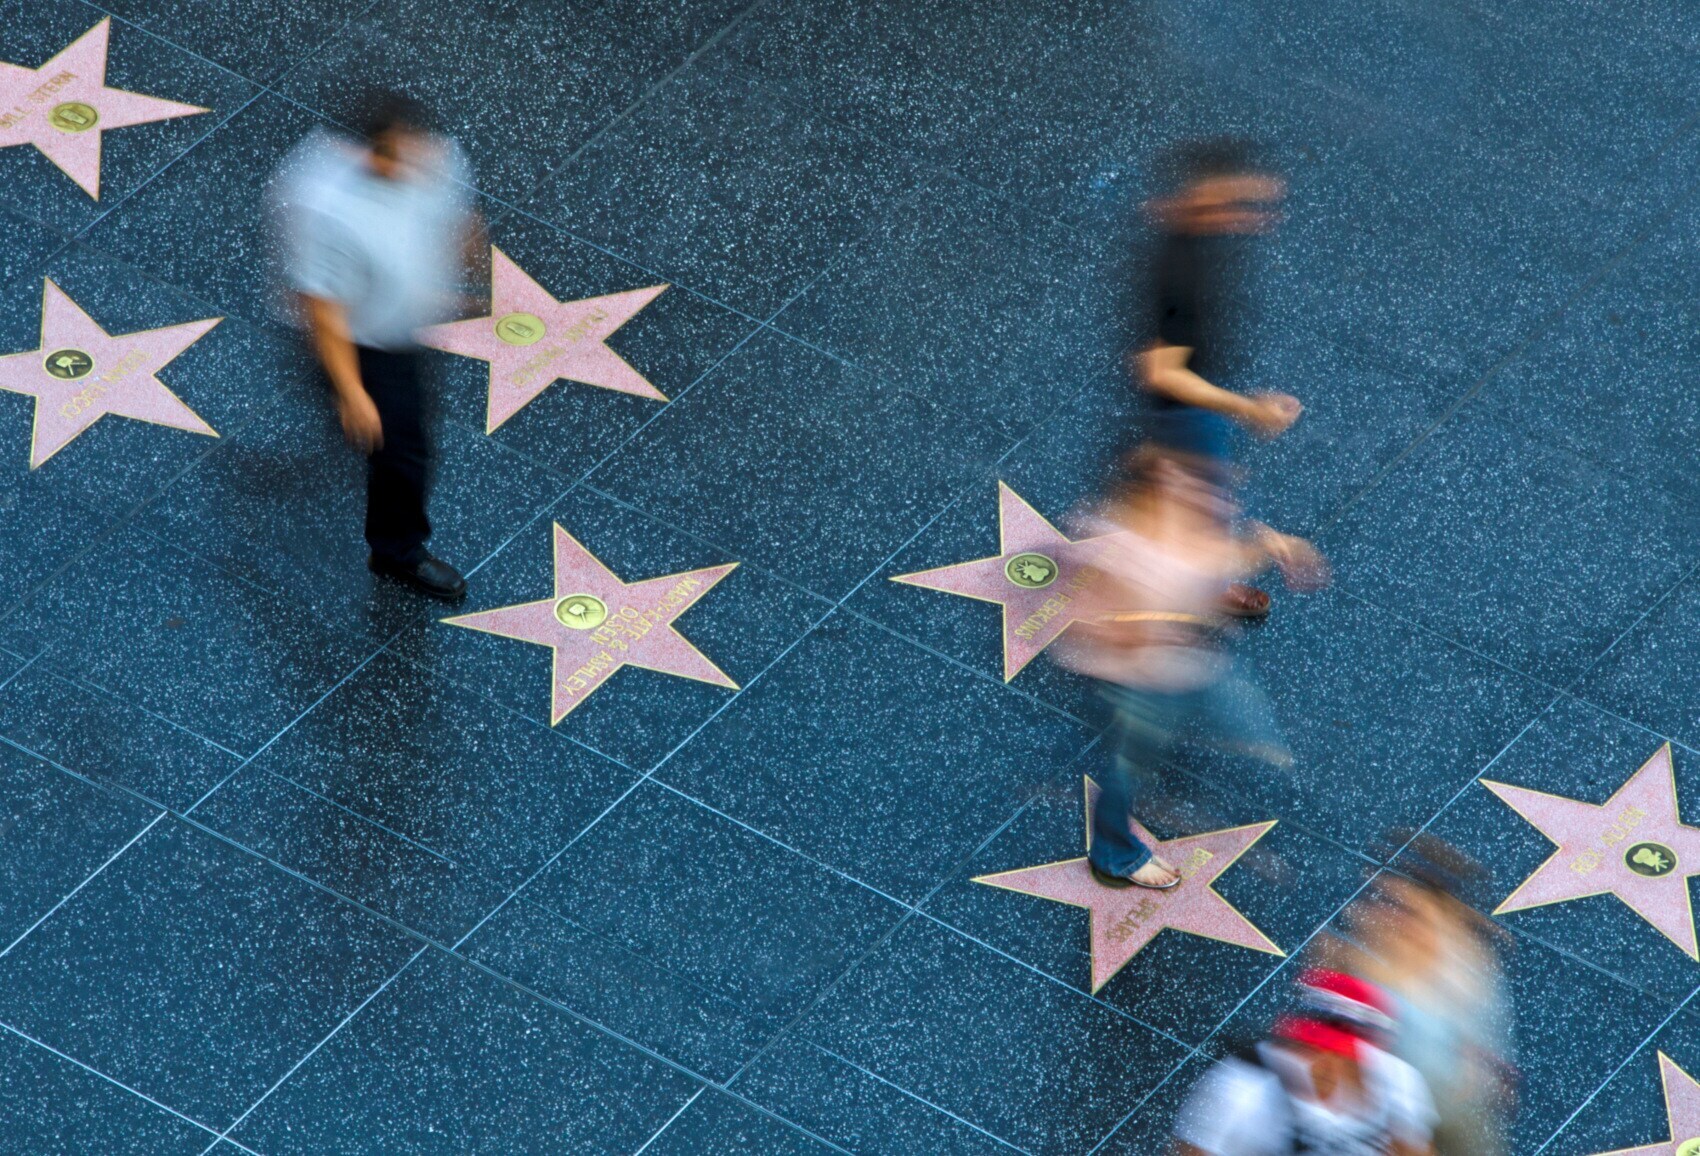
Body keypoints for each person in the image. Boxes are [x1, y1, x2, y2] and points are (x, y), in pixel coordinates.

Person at [1057, 448, 1326, 888]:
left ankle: (1250, 741)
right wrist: (1151, 626)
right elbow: (1103, 627)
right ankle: (1113, 851)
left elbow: (1216, 554)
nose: (1213, 502)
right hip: (1142, 677)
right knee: (1130, 762)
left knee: (1226, 697)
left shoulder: (1181, 526)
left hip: (1190, 658)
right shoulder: (1119, 553)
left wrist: (1275, 545)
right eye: (1179, 491)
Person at [275, 92, 477, 600]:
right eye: (394, 154)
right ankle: (397, 552)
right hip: (365, 340)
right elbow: (324, 308)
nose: (411, 163)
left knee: (396, 436)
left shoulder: (440, 158)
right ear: (366, 152)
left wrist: (463, 268)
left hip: (401, 321)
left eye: (415, 149)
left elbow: (461, 221)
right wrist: (351, 391)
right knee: (402, 449)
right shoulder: (331, 210)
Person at [1137, 138, 1298, 618]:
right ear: (1205, 199)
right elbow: (1164, 373)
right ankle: (1203, 586)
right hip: (1186, 412)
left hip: (1194, 407)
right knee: (1204, 497)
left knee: (1199, 491)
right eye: (1241, 203)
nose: (1256, 217)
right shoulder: (1181, 272)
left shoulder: (1191, 242)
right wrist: (1250, 409)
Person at [1326, 838, 1518, 1156]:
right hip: (1394, 1108)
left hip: (1454, 1106)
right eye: (1382, 899)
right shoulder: (1364, 957)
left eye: (1400, 904)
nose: (1386, 911)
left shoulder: (1463, 960)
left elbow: (1482, 1028)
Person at [1171, 968, 1438, 1156]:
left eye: (1340, 1052)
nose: (1322, 1060)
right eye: (1311, 1045)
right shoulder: (1240, 1089)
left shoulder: (1399, 1081)